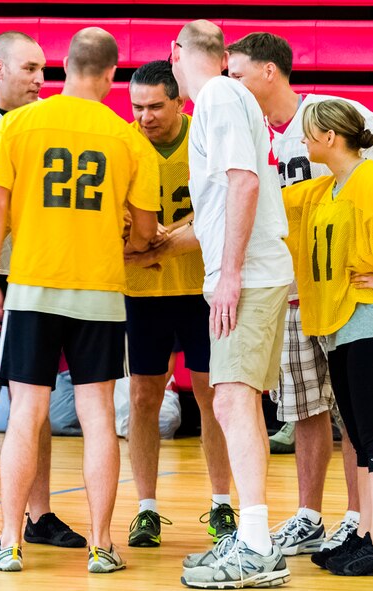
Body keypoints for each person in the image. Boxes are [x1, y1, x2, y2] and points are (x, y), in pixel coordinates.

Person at [227, 31, 373, 556]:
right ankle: (323, 522)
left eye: (238, 73)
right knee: (315, 413)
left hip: (360, 306)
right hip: (299, 295)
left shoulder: (343, 135)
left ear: (269, 71)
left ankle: (368, 529)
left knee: (365, 425)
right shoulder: (265, 143)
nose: (232, 84)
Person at [0, 27, 160, 573]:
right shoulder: (129, 138)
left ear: (62, 66)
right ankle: (102, 545)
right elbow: (147, 233)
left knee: (27, 413)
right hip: (101, 290)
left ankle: (9, 541)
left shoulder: (20, 124)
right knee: (99, 416)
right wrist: (124, 243)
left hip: (32, 284)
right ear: (111, 74)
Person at [0, 30, 85, 548]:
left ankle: (38, 513)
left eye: (44, 69)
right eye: (30, 69)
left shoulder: (39, 124)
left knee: (32, 398)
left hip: (26, 275)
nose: (40, 79)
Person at [283, 98, 373, 576]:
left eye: (308, 134)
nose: (301, 142)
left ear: (329, 138)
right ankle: (366, 534)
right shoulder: (326, 188)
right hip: (344, 323)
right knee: (362, 434)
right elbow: (267, 200)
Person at [170, 20, 292, 589]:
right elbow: (227, 198)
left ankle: (258, 548)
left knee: (233, 399)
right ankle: (253, 538)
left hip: (246, 275)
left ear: (177, 54)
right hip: (251, 271)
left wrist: (230, 274)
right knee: (235, 401)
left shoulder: (217, 95)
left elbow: (243, 184)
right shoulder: (231, 97)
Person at [124, 60, 235, 548]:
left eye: (154, 106)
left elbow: (226, 203)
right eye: (137, 107)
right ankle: (146, 508)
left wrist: (176, 237)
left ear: (179, 101)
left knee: (213, 397)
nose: (145, 116)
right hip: (141, 290)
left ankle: (221, 505)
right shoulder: (124, 143)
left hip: (198, 287)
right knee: (144, 397)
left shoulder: (204, 137)